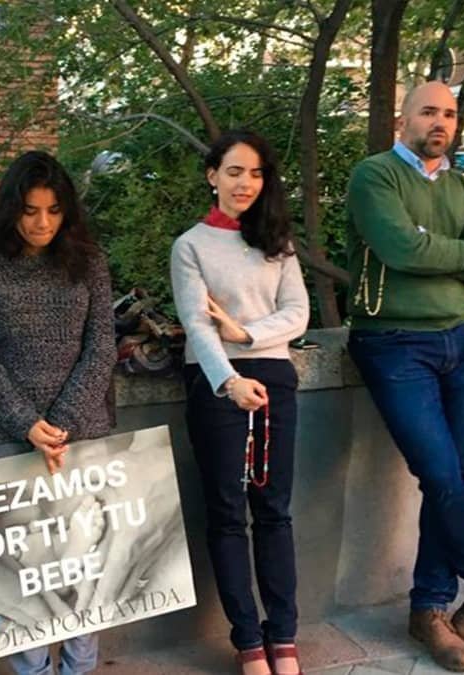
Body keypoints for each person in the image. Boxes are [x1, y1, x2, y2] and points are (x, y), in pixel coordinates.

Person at [343, 81, 464, 672]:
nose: (440, 122)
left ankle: (429, 609)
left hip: (461, 340)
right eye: (428, 111)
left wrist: (452, 255)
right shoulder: (375, 177)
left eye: (449, 113)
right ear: (404, 119)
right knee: (441, 473)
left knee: (456, 478)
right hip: (392, 343)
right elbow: (403, 250)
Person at [0, 150, 116, 675]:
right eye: (30, 211)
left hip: (82, 432)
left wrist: (61, 423)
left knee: (83, 564)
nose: (42, 222)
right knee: (22, 569)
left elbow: (102, 347)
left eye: (53, 210)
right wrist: (26, 424)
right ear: (11, 209)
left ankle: (79, 668)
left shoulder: (89, 262)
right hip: (5, 435)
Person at [170, 130, 309, 675]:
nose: (245, 183)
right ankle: (249, 642)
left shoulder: (278, 242)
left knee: (274, 511)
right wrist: (229, 381)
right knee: (228, 513)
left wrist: (246, 333)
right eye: (233, 171)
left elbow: (298, 313)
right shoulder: (191, 245)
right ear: (213, 176)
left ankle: (284, 636)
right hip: (216, 385)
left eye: (255, 173)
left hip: (274, 379)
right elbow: (197, 324)